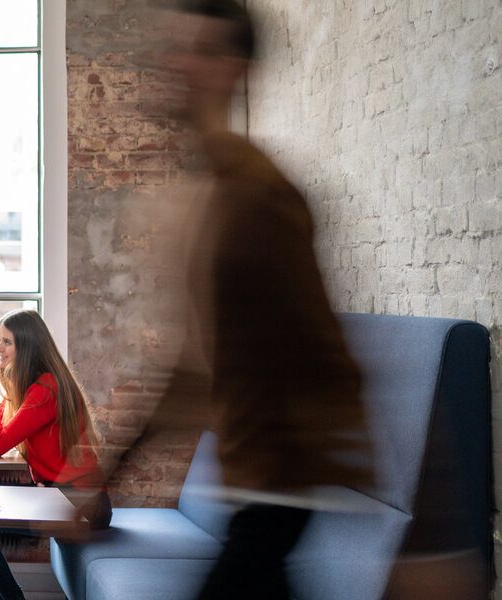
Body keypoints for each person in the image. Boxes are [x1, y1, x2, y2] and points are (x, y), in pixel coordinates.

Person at [136, 1, 376, 598]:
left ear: (235, 70)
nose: (177, 63)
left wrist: (431, 543)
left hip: (277, 495)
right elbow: (192, 368)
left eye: (201, 50)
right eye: (176, 47)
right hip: (251, 490)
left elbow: (329, 358)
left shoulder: (258, 195)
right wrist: (108, 473)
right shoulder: (208, 194)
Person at [0, 308, 110, 600]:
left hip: (83, 504)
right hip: (56, 496)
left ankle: (9, 597)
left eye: (7, 342)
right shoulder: (28, 388)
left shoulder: (47, 388)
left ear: (27, 346)